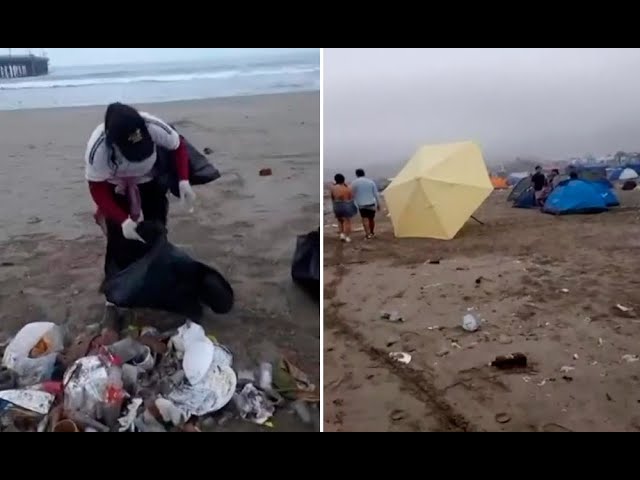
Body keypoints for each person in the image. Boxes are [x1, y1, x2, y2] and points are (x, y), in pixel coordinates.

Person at [85, 102, 197, 331]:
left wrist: (184, 180)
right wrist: (122, 219)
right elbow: (97, 188)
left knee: (157, 228)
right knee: (118, 241)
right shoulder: (98, 150)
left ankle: (157, 275)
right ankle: (115, 295)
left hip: (150, 179)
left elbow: (178, 146)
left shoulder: (153, 126)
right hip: (116, 187)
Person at [351, 168, 381, 239]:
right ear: (364, 173)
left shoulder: (354, 183)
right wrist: (378, 204)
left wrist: (353, 204)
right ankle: (372, 232)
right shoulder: (370, 182)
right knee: (371, 219)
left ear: (356, 174)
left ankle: (368, 234)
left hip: (361, 204)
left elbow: (352, 195)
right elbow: (376, 194)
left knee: (365, 219)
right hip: (371, 203)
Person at [329, 174, 357, 243]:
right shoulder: (347, 188)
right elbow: (350, 197)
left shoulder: (333, 188)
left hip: (336, 205)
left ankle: (341, 234)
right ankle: (346, 236)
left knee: (340, 220)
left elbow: (332, 198)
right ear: (343, 180)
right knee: (347, 221)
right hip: (345, 205)